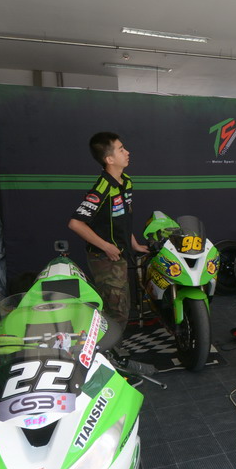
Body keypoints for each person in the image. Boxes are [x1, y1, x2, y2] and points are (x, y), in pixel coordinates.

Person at [67, 132, 149, 328]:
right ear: (109, 159)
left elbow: (123, 218)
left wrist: (135, 244)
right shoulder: (102, 189)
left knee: (122, 306)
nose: (127, 152)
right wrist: (106, 246)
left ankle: (113, 341)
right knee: (116, 311)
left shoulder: (126, 181)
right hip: (105, 258)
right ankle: (105, 345)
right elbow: (75, 223)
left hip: (121, 254)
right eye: (121, 149)